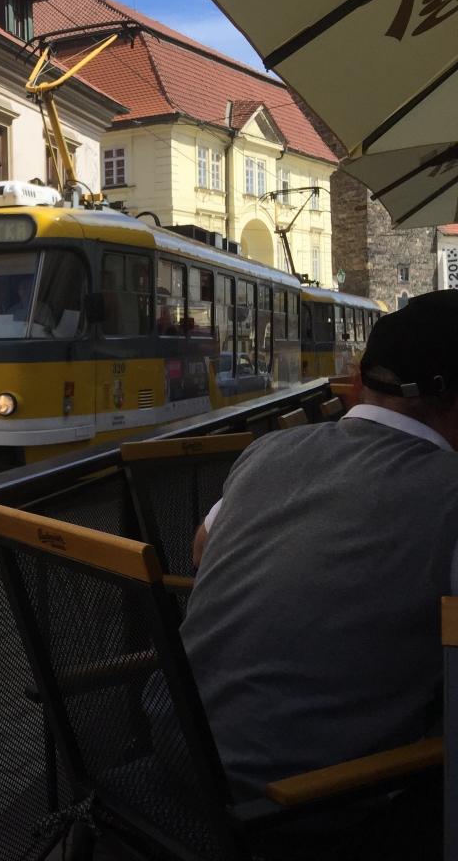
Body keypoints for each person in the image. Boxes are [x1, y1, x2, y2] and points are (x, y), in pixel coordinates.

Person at [182, 290, 458, 818]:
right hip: (302, 806)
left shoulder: (270, 449)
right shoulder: (449, 493)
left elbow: (200, 550)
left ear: (358, 382)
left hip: (176, 754)